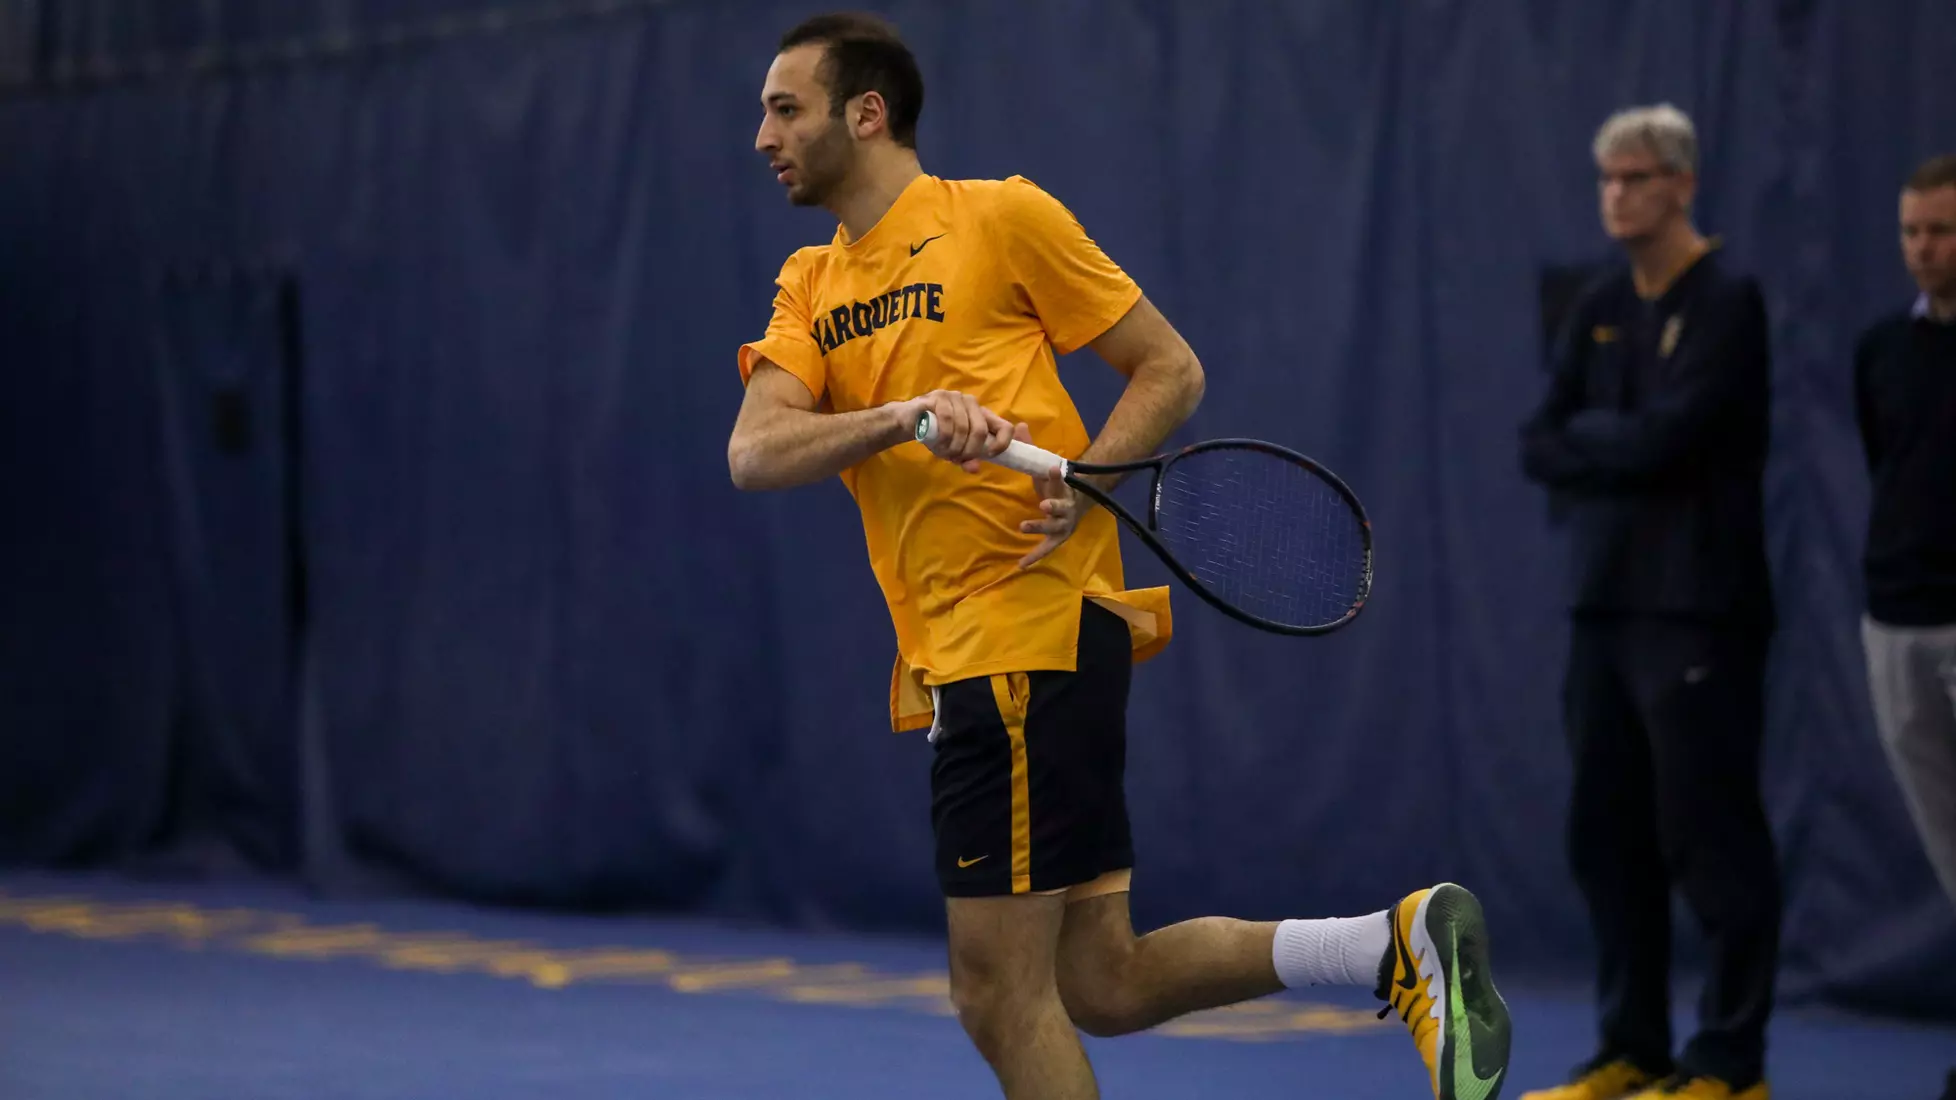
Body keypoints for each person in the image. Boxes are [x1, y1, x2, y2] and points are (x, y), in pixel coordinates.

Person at [726, 12, 1512, 1100]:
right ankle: (1394, 941)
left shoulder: (1002, 217)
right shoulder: (810, 280)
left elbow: (1168, 369)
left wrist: (1080, 477)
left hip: (1025, 634)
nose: (762, 133)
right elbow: (755, 451)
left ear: (865, 114)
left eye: (784, 107)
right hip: (982, 654)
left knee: (997, 993)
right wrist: (903, 415)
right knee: (1100, 975)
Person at [1517, 104, 1780, 1100]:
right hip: (1604, 607)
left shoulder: (1728, 301)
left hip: (1700, 611)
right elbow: (1538, 440)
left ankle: (1730, 1057)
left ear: (1681, 184)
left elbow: (1672, 439)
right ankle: (1633, 1044)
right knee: (1606, 829)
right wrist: (1613, 442)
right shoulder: (1598, 301)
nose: (1617, 195)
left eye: (1635, 178)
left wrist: (1604, 441)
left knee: (1708, 832)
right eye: (1607, 180)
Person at [1853, 152, 1956, 1100]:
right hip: (1896, 624)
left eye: (1943, 232)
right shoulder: (1883, 349)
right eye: (1912, 232)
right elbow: (1889, 461)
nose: (1925, 249)